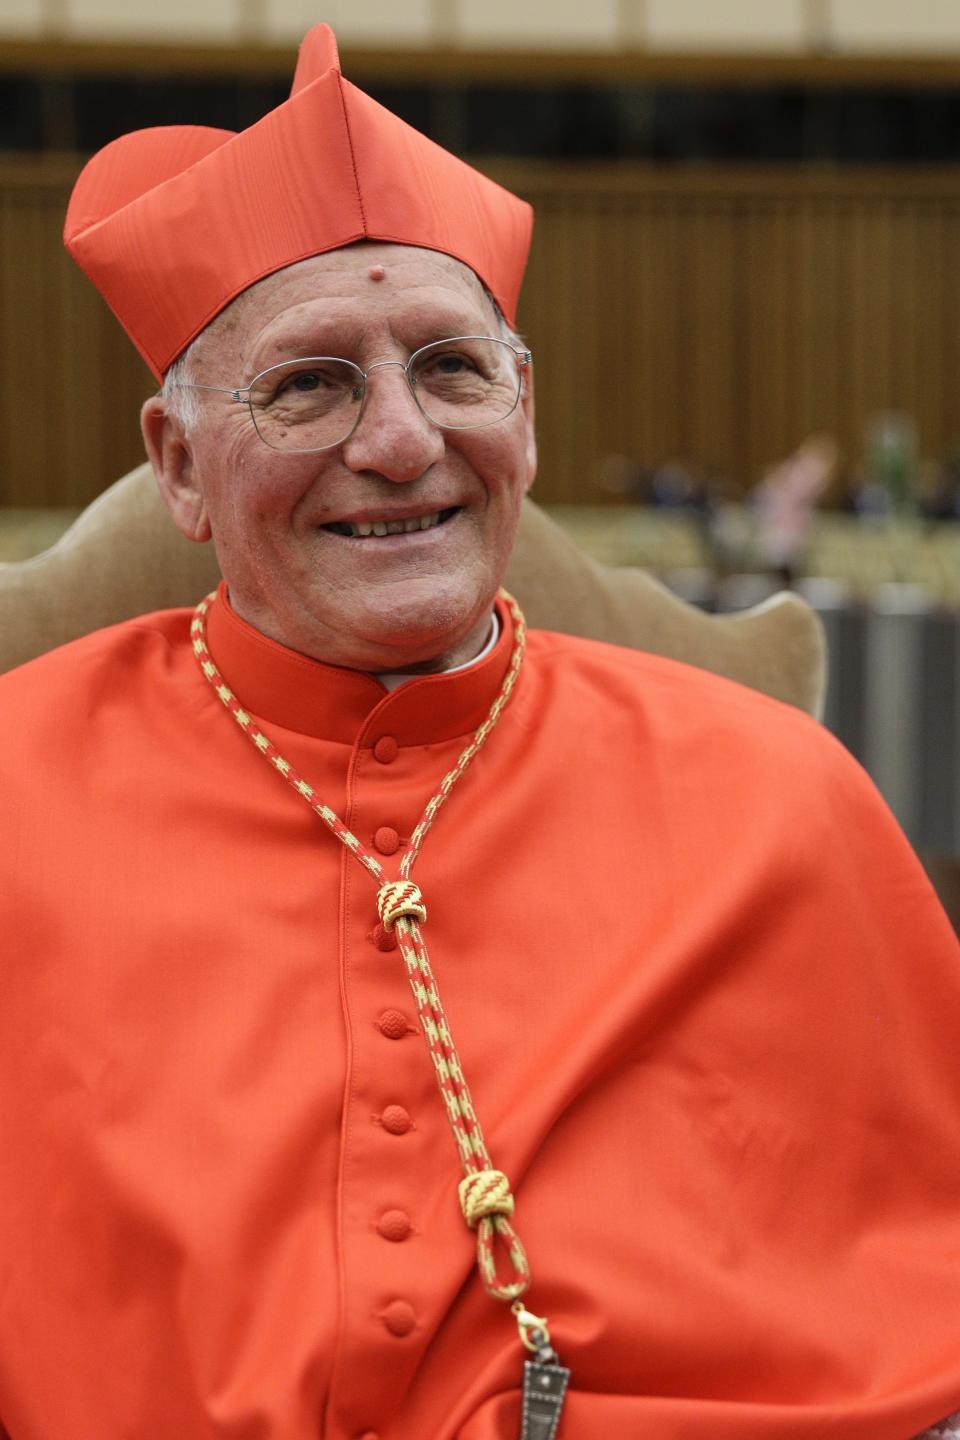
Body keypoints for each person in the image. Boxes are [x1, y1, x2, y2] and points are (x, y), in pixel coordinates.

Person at [1, 24, 959, 1440]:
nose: (398, 439)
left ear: (527, 413)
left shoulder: (776, 793)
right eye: (310, 382)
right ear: (180, 467)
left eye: (450, 369)